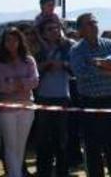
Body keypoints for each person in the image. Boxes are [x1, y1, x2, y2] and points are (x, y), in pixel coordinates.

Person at [69, 13, 111, 177]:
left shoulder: (109, 43)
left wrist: (97, 62)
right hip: (91, 104)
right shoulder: (76, 50)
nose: (94, 26)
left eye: (95, 22)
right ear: (81, 30)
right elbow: (81, 72)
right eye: (89, 24)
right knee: (93, 149)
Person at [0, 27, 40, 177]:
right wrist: (21, 83)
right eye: (8, 40)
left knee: (21, 146)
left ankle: (15, 173)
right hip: (6, 109)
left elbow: (34, 81)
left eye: (15, 39)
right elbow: (1, 86)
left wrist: (13, 82)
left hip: (26, 107)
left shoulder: (28, 60)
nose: (12, 43)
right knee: (10, 145)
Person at [34, 18, 74, 177]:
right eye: (50, 29)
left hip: (62, 97)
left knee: (62, 139)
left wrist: (63, 65)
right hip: (43, 97)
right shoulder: (38, 51)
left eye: (57, 29)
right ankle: (43, 171)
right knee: (43, 139)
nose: (54, 32)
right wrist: (45, 65)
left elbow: (75, 68)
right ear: (43, 33)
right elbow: (32, 71)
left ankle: (62, 171)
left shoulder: (67, 48)